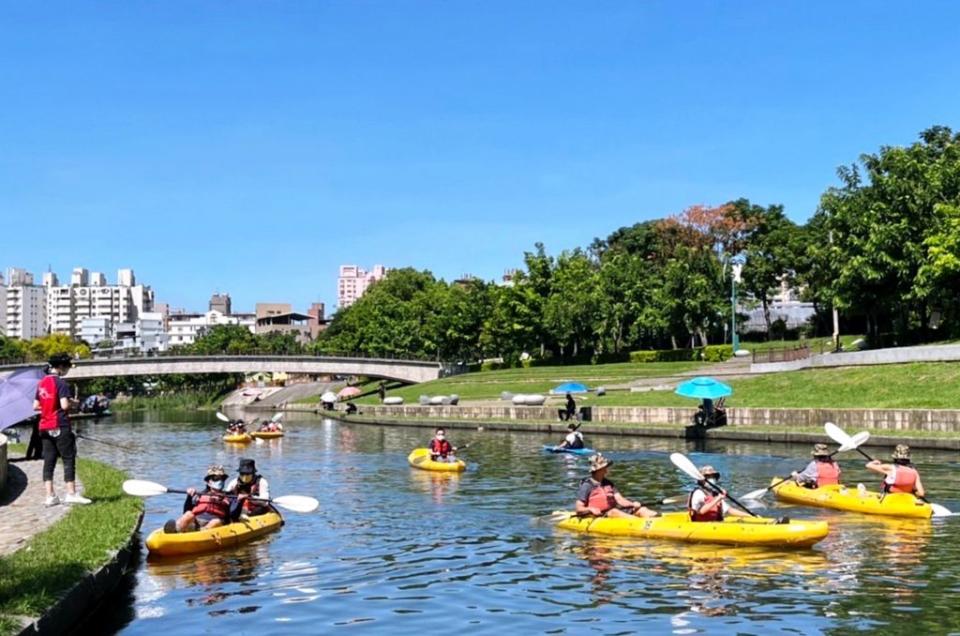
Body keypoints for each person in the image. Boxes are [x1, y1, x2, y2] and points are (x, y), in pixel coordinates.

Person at [33, 353, 90, 506]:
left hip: (44, 426)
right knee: (68, 458)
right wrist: (74, 403)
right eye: (67, 367)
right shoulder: (61, 383)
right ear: (61, 367)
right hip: (60, 424)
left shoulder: (42, 383)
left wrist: (49, 406)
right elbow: (64, 405)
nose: (68, 370)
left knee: (49, 460)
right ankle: (71, 493)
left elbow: (35, 406)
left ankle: (50, 496)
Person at [575, 454, 658, 519]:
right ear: (598, 469)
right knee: (614, 511)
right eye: (605, 467)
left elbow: (620, 499)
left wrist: (633, 504)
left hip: (613, 512)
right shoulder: (587, 486)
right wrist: (591, 509)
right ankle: (639, 523)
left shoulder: (608, 483)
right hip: (601, 516)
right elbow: (579, 508)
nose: (607, 469)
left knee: (642, 509)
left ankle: (656, 519)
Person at [165, 465, 239, 533]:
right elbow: (186, 511)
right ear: (208, 482)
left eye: (222, 478)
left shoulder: (229, 496)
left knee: (215, 522)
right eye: (215, 479)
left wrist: (240, 501)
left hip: (215, 524)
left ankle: (200, 534)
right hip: (198, 521)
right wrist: (189, 497)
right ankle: (175, 531)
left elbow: (233, 516)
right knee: (188, 514)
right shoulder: (200, 495)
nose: (220, 481)